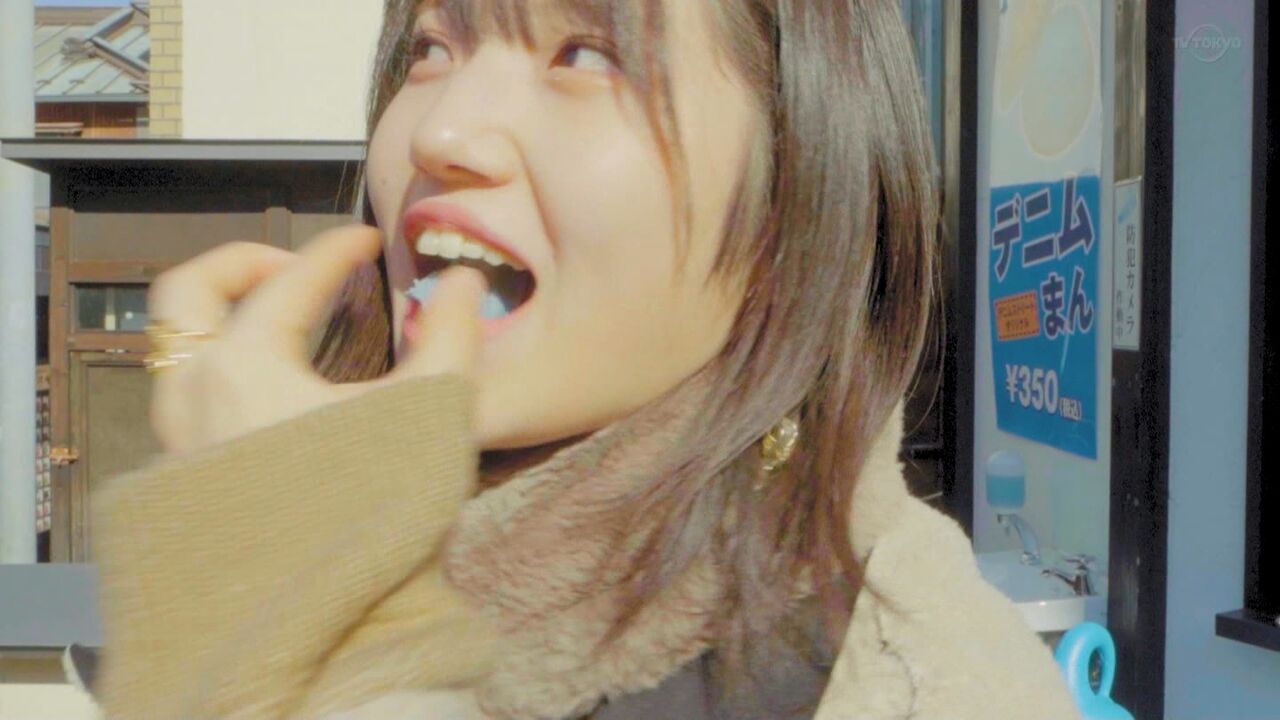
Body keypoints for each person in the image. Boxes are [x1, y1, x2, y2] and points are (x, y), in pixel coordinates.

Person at [92, 1, 1080, 718]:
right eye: (431, 48)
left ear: (794, 200)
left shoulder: (904, 685)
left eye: (586, 54)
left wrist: (272, 586)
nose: (440, 131)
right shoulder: (358, 509)